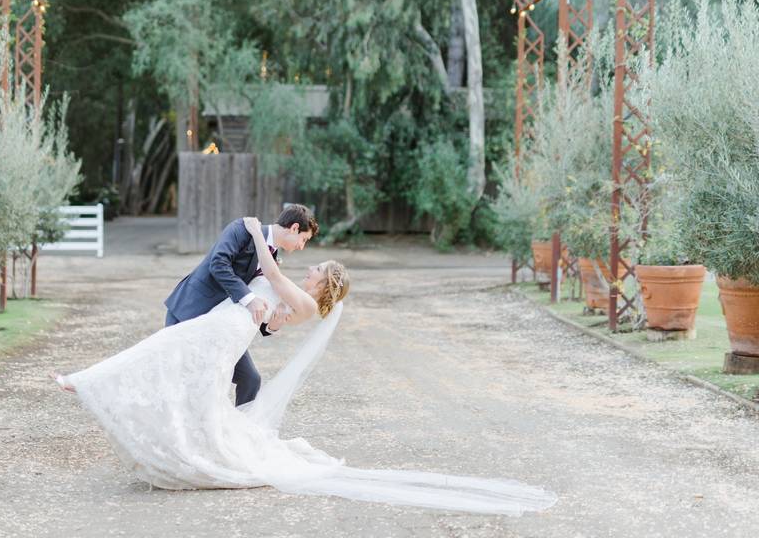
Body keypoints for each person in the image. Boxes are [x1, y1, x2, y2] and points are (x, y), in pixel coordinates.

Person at [53, 217, 557, 514]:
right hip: (228, 323)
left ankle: (94, 386)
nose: (309, 265)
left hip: (229, 327)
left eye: (315, 267)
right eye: (311, 259)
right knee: (169, 358)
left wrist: (256, 229)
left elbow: (269, 271)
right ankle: (100, 389)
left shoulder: (305, 297)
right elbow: (268, 312)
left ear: (322, 283)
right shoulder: (307, 300)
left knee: (166, 357)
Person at [163, 204, 318, 405]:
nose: (301, 246)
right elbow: (218, 264)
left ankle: (239, 430)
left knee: (251, 379)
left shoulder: (270, 256)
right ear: (295, 228)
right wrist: (250, 299)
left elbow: (263, 294)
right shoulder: (242, 228)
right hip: (190, 310)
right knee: (178, 380)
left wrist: (270, 326)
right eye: (304, 239)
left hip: (220, 325)